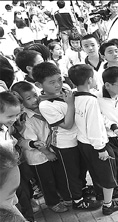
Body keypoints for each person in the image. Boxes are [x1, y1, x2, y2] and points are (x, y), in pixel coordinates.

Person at [33, 62, 103, 211]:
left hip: (78, 139)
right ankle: (76, 200)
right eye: (52, 82)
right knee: (70, 174)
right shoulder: (45, 105)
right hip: (64, 145)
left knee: (80, 170)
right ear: (39, 85)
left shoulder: (64, 91)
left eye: (59, 79)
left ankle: (82, 190)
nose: (58, 85)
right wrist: (70, 104)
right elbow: (67, 125)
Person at [68, 64, 118, 215]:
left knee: (96, 172)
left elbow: (99, 118)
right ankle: (108, 205)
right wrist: (101, 148)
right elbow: (94, 125)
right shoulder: (92, 101)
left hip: (83, 143)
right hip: (97, 145)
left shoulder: (74, 97)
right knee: (107, 174)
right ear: (89, 80)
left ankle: (102, 196)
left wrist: (112, 125)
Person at [11, 81, 70, 213]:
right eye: (28, 98)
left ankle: (60, 196)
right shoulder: (26, 118)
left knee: (56, 176)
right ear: (20, 102)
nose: (34, 100)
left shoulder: (43, 108)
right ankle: (52, 202)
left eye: (35, 95)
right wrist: (47, 153)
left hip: (50, 150)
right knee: (46, 181)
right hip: (38, 157)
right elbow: (31, 141)